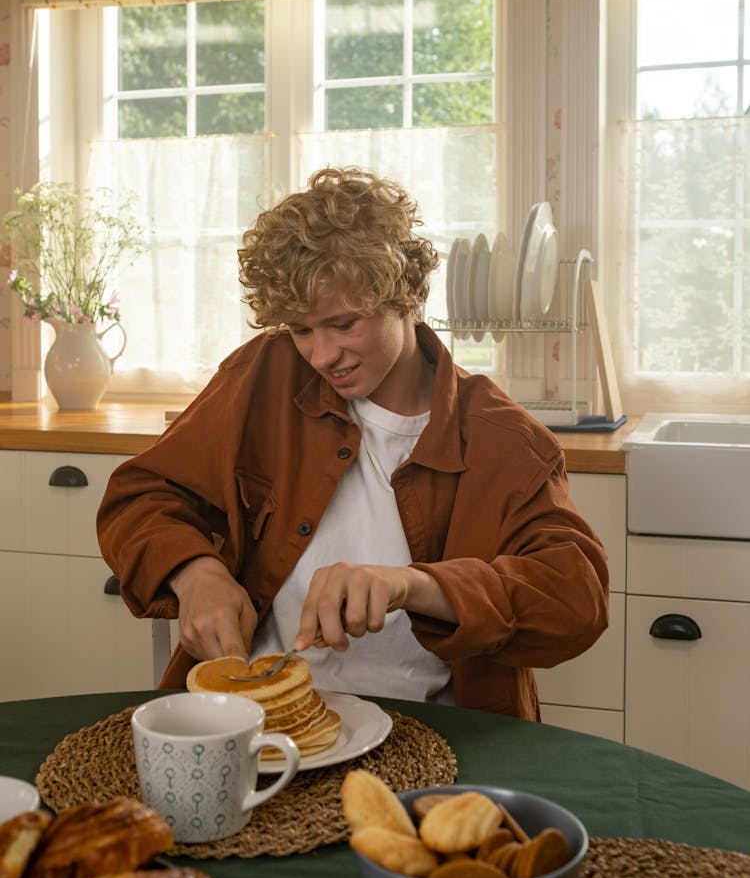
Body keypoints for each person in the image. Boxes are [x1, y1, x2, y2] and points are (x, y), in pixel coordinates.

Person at [97, 166, 608, 719]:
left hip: (434, 732)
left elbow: (577, 598)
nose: (321, 356)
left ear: (408, 294)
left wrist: (414, 586)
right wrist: (197, 572)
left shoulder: (505, 440)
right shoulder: (263, 375)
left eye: (343, 324)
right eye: (301, 329)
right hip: (255, 717)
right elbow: (141, 497)